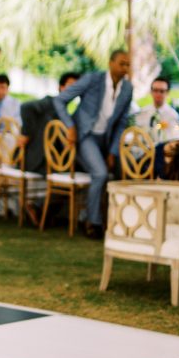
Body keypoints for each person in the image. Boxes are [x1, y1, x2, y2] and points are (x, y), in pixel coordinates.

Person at [53, 50, 133, 239]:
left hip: (106, 140)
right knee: (100, 173)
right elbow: (60, 100)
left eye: (128, 65)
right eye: (122, 63)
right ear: (111, 63)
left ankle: (123, 223)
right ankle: (93, 222)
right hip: (84, 136)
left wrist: (113, 152)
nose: (125, 69)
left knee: (126, 170)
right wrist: (70, 126)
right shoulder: (92, 79)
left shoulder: (128, 88)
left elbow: (122, 122)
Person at [19, 71, 80, 175]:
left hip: (54, 159)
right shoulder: (50, 102)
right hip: (38, 160)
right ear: (61, 87)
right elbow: (26, 107)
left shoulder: (67, 112)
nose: (73, 90)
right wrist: (26, 134)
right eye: (71, 86)